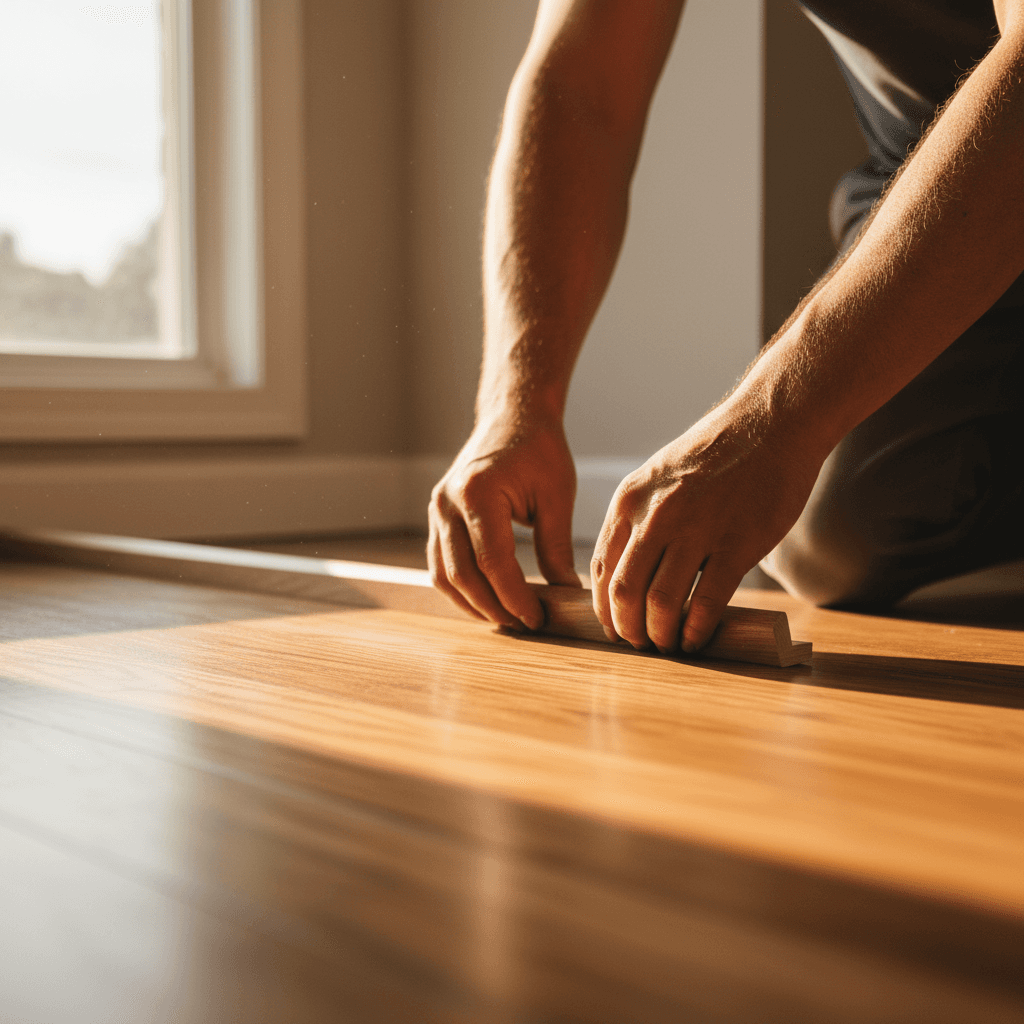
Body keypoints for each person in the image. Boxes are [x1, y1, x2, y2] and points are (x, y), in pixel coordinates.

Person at [428, 0, 1024, 655]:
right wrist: (516, 404)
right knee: (836, 539)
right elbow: (581, 88)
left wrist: (774, 419)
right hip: (932, 188)